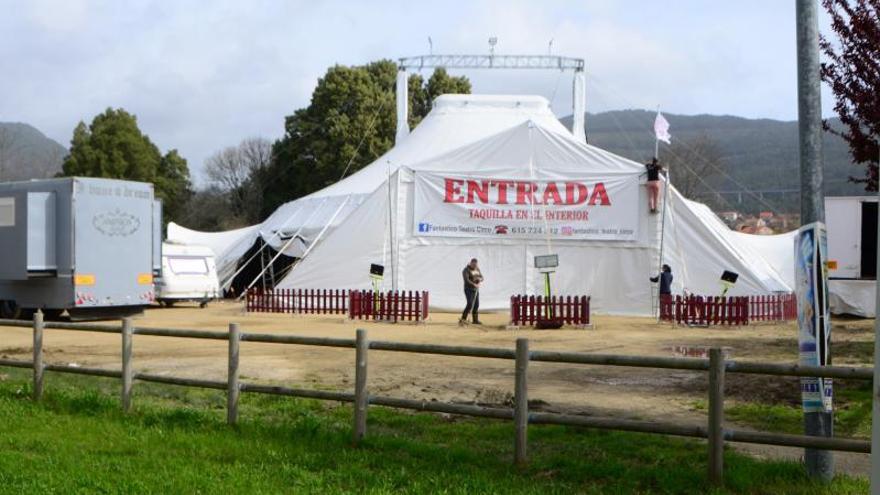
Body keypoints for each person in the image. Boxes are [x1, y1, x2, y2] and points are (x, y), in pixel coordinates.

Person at [460, 258, 483, 325]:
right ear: (471, 263)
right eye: (473, 265)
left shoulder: (477, 269)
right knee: (470, 304)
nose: (475, 266)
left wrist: (480, 280)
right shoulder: (466, 270)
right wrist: (474, 284)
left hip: (475, 290)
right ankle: (463, 319)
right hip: (468, 289)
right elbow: (466, 280)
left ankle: (475, 320)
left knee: (476, 305)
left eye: (476, 265)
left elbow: (482, 277)